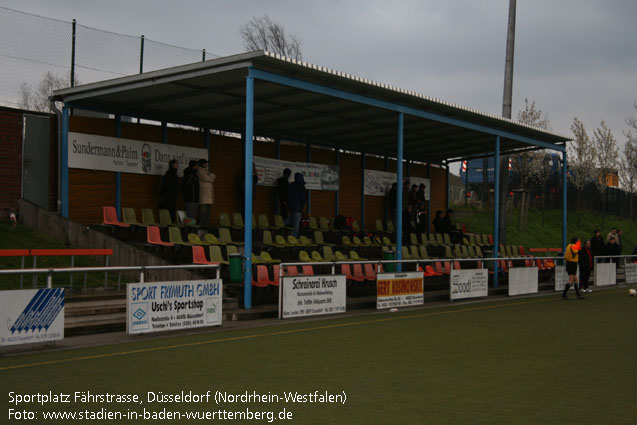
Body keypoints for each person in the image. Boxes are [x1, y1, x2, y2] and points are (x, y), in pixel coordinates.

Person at [197, 158, 215, 230]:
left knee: (207, 214)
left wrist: (210, 175)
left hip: (208, 197)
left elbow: (212, 176)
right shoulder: (200, 171)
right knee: (202, 213)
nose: (206, 164)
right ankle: (199, 227)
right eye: (205, 163)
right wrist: (210, 176)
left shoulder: (206, 172)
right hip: (203, 196)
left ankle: (205, 227)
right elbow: (210, 179)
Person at [287, 172, 307, 237]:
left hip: (290, 206)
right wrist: (304, 202)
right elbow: (303, 197)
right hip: (298, 207)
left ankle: (281, 225)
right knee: (296, 222)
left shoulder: (291, 185)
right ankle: (295, 235)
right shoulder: (301, 187)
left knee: (290, 219)